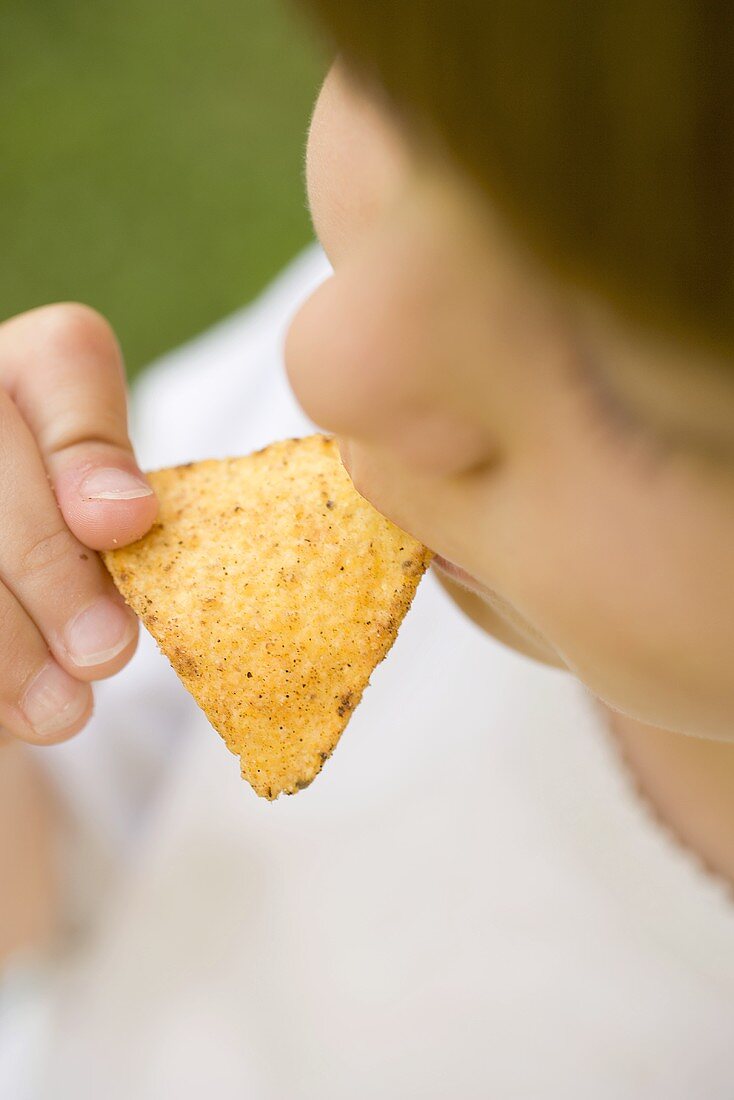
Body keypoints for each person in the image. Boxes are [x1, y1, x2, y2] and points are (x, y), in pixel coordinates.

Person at [1, 4, 733, 1098]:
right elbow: (59, 859)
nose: (327, 356)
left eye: (622, 387)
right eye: (415, 108)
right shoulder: (413, 329)